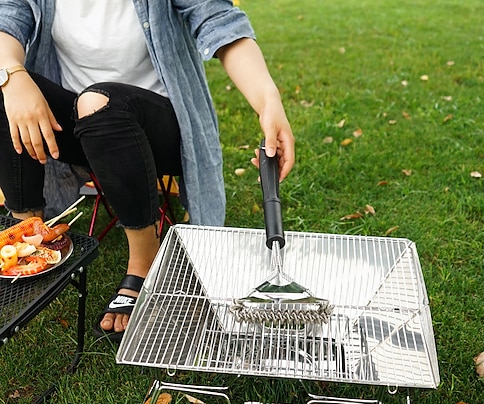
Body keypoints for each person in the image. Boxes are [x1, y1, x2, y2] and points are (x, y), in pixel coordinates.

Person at [0, 1, 295, 342]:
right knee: (6, 86)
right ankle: (23, 245)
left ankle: (145, 261)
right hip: (73, 127)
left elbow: (220, 22)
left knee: (98, 103)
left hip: (156, 129)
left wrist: (268, 100)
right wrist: (11, 73)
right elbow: (8, 18)